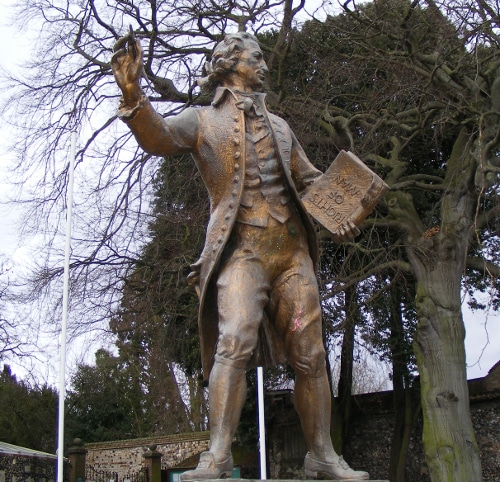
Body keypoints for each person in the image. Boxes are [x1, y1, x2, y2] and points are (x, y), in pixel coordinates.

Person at [111, 31, 369, 481]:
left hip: (292, 255)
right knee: (232, 345)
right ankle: (218, 456)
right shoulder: (200, 121)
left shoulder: (283, 127)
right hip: (241, 253)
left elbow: (311, 182)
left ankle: (322, 455)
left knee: (311, 354)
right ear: (231, 63)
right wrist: (133, 94)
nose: (264, 65)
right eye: (257, 57)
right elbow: (160, 137)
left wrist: (343, 214)